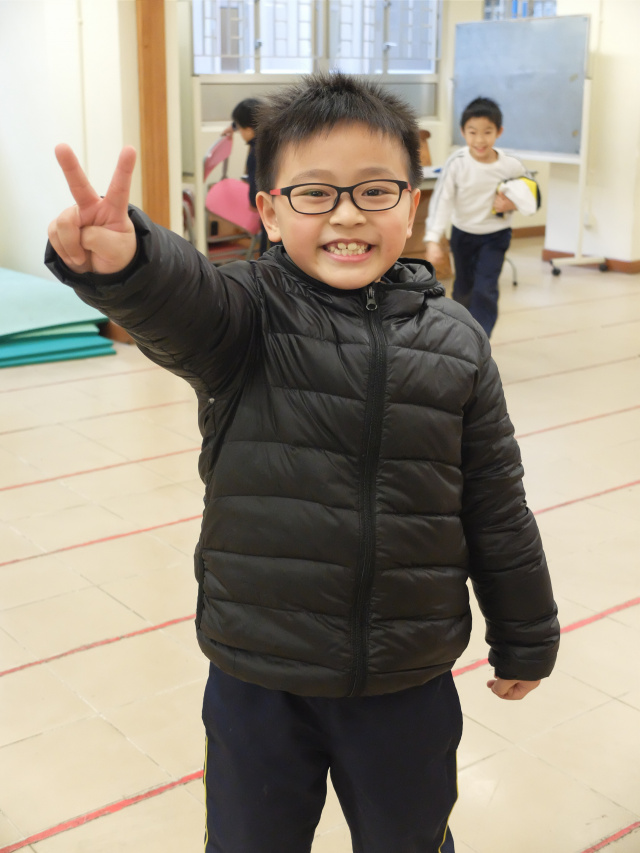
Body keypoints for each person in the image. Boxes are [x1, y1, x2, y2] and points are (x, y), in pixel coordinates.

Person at [46, 72, 559, 853]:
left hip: (407, 675)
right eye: (315, 193)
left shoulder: (458, 341)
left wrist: (526, 631)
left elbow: (496, 504)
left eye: (375, 191)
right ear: (270, 211)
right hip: (260, 674)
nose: (347, 213)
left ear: (412, 203)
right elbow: (183, 299)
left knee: (410, 838)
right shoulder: (246, 314)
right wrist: (128, 265)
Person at [425, 97, 539, 338]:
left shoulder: (511, 165)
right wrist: (433, 239)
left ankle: (481, 341)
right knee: (463, 289)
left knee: (485, 288)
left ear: (499, 132)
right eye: (472, 132)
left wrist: (512, 203)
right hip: (463, 234)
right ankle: (462, 336)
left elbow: (531, 194)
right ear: (462, 132)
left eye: (487, 132)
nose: (479, 140)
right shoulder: (457, 163)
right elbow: (442, 200)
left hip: (496, 236)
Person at [222, 97, 269, 254]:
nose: (240, 133)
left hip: (269, 205)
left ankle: (267, 264)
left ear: (248, 129)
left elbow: (255, 181)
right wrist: (233, 127)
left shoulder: (256, 153)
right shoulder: (270, 134)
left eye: (240, 129)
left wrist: (253, 203)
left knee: (268, 243)